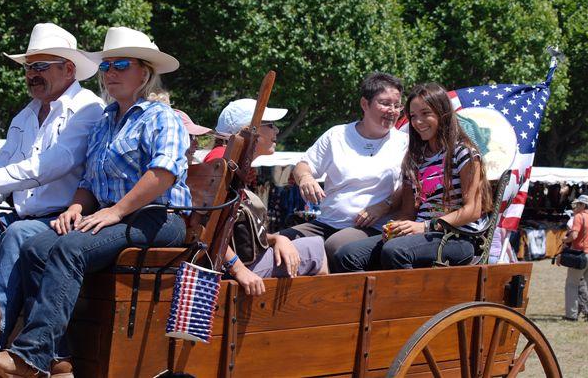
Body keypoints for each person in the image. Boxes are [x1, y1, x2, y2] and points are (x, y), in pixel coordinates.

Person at [0, 26, 191, 377]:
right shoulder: (104, 121)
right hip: (116, 217)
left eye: (121, 65)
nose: (111, 73)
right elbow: (87, 181)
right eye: (106, 66)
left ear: (144, 73)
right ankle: (58, 358)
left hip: (159, 217)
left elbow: (163, 174)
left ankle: (29, 356)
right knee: (37, 246)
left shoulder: (161, 117)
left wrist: (115, 211)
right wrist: (77, 207)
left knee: (70, 248)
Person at [0, 22, 104, 351]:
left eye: (39, 66)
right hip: (20, 215)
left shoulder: (89, 108)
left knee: (17, 236)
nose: (31, 74)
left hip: (64, 218)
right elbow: (5, 163)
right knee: (10, 231)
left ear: (68, 69)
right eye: (28, 67)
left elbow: (56, 162)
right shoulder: (25, 114)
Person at [333, 82, 493, 272]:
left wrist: (425, 227)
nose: (418, 122)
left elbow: (473, 210)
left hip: (459, 237)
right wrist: (397, 227)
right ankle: (375, 300)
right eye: (413, 116)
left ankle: (408, 300)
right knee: (346, 255)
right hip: (421, 235)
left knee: (395, 251)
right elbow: (408, 212)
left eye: (426, 114)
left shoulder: (464, 152)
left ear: (443, 113)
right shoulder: (415, 159)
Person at [277, 72, 408, 265]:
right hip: (325, 223)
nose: (392, 110)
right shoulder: (336, 135)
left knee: (336, 245)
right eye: (385, 103)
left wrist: (385, 205)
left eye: (397, 105)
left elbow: (412, 188)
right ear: (365, 104)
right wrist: (305, 178)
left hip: (372, 228)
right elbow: (302, 166)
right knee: (277, 241)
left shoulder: (404, 142)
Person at [205, 99, 328, 295]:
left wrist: (276, 240)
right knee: (316, 248)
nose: (277, 131)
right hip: (232, 269)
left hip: (237, 261)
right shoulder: (225, 163)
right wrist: (239, 269)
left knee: (301, 243)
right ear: (248, 130)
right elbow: (207, 228)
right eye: (270, 125)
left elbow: (236, 231)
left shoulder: (225, 159)